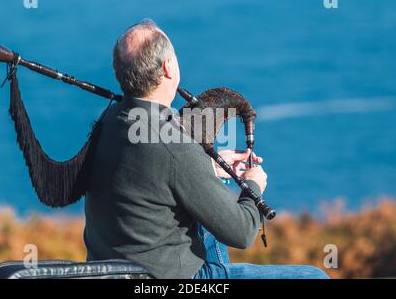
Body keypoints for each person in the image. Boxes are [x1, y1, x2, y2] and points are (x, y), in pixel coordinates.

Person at [83, 19, 329, 279]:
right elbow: (243, 232)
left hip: (115, 270)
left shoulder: (109, 119)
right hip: (173, 277)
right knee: (314, 276)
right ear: (168, 67)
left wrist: (205, 166)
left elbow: (146, 174)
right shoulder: (175, 148)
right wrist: (253, 185)